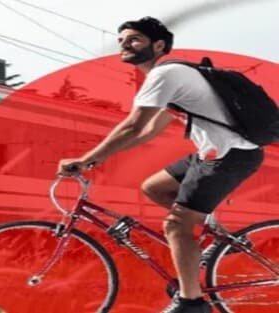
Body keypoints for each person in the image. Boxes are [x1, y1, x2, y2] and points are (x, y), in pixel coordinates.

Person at [57, 16, 264, 313]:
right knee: (154, 188)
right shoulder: (174, 76)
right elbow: (148, 131)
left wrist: (86, 159)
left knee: (176, 225)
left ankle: (192, 303)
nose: (125, 45)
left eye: (134, 39)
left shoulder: (165, 74)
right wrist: (101, 158)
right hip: (214, 153)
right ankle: (222, 241)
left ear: (158, 45)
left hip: (228, 155)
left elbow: (133, 126)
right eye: (121, 41)